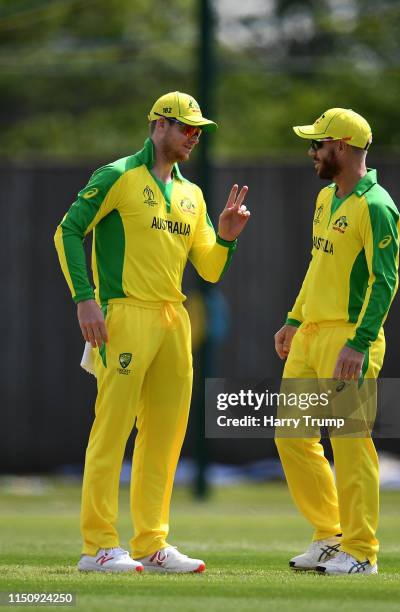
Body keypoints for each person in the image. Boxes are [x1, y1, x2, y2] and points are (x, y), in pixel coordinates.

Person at [54, 91, 250, 573]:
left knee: (164, 434)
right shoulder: (118, 175)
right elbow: (67, 231)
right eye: (186, 129)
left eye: (198, 132)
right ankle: (98, 546)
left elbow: (208, 269)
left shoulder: (192, 194)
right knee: (112, 429)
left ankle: (151, 544)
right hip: (123, 314)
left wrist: (225, 234)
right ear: (159, 125)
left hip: (173, 319)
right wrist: (85, 299)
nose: (193, 138)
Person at [274, 108, 400, 575]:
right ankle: (331, 535)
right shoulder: (327, 198)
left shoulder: (378, 205)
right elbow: (317, 265)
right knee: (291, 436)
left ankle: (362, 551)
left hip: (351, 338)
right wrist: (293, 318)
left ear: (342, 147)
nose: (312, 152)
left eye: (318, 145)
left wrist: (360, 342)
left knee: (350, 442)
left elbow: (384, 282)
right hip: (310, 335)